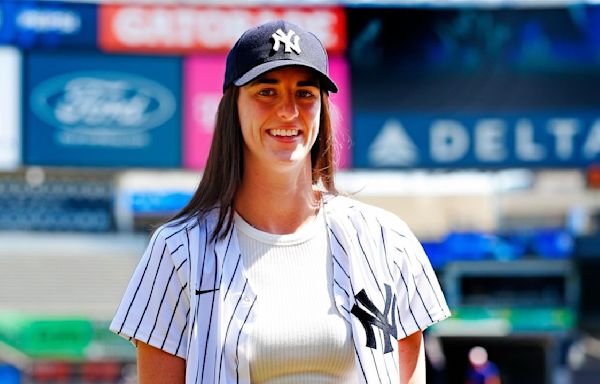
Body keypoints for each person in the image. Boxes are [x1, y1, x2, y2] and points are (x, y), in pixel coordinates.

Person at [110, 20, 450, 384]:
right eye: (266, 92)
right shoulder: (178, 250)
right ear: (232, 107)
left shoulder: (387, 240)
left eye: (305, 93)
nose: (288, 111)